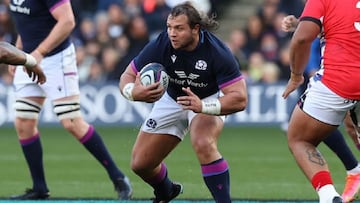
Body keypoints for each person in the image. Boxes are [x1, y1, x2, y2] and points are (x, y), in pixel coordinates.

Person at [119, 2, 248, 202]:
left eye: (179, 28)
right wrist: (133, 92)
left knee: (203, 143)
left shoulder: (218, 52)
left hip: (206, 98)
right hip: (172, 98)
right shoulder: (161, 43)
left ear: (195, 29)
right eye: (169, 27)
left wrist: (203, 106)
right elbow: (127, 76)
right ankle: (166, 190)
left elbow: (240, 98)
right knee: (141, 164)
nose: (172, 33)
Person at [8, 0, 132, 200]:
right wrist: (17, 51)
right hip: (28, 58)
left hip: (55, 59)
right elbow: (27, 21)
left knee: (72, 122)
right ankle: (39, 188)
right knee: (23, 121)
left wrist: (39, 52)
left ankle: (118, 177)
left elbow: (67, 21)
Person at [282, 0, 360, 202]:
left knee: (300, 139)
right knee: (351, 126)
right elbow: (345, 23)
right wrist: (301, 22)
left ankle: (328, 195)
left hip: (340, 81)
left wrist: (295, 76)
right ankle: (355, 170)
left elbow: (302, 39)